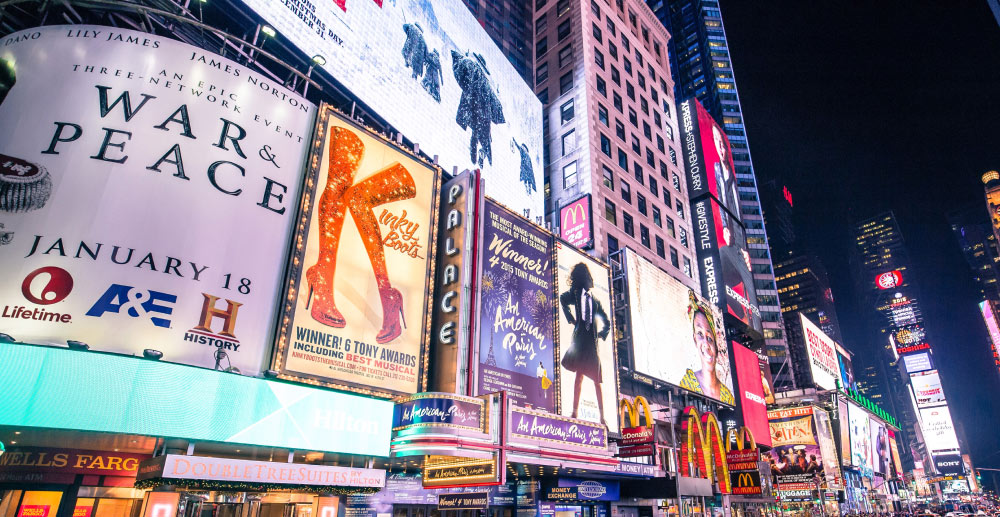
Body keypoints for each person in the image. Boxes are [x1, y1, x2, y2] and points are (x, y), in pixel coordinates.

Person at [559, 263, 611, 426]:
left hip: (592, 344)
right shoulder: (575, 294)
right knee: (579, 376)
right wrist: (570, 318)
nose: (590, 279)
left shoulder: (594, 300)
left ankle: (602, 417)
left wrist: (602, 334)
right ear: (583, 279)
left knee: (597, 380)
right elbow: (562, 299)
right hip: (580, 342)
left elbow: (607, 322)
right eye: (587, 277)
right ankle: (574, 412)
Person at [680, 291, 735, 404]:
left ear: (716, 344)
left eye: (709, 337)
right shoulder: (688, 383)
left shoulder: (727, 396)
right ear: (695, 339)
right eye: (700, 334)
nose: (705, 343)